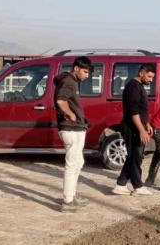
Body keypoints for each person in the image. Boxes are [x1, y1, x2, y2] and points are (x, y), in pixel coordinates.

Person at [54, 56, 93, 213]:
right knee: (72, 165)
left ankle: (71, 196)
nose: (86, 76)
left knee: (78, 162)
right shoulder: (68, 81)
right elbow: (60, 100)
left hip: (75, 128)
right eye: (85, 72)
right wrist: (71, 115)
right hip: (71, 128)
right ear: (76, 68)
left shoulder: (71, 81)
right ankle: (68, 201)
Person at [112, 64, 156, 197]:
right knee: (135, 156)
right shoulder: (132, 87)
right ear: (141, 73)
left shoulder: (140, 87)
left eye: (152, 77)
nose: (151, 80)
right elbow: (133, 111)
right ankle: (138, 186)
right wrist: (141, 130)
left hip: (139, 126)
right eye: (149, 76)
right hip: (132, 127)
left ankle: (121, 184)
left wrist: (147, 124)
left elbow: (142, 109)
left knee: (134, 156)